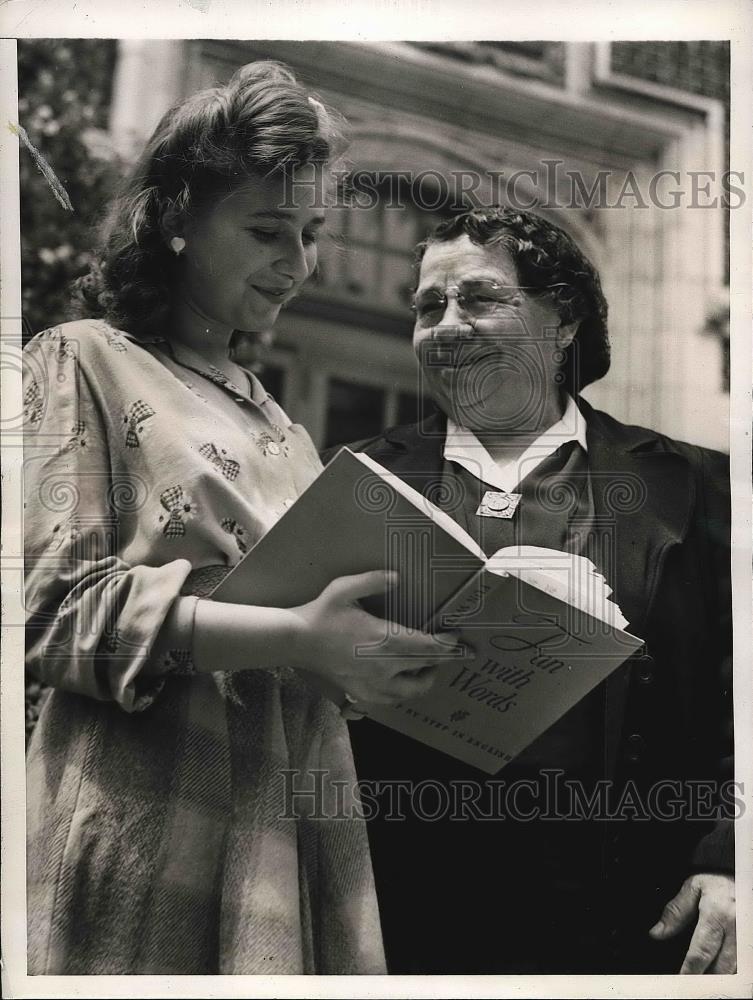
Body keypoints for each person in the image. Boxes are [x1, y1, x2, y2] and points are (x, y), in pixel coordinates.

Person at [22, 61, 459, 975]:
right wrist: (297, 633)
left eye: (311, 234)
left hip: (294, 819)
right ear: (176, 217)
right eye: (266, 230)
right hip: (149, 809)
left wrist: (369, 660)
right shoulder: (82, 361)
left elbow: (311, 638)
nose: (297, 265)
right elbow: (49, 614)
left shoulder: (280, 422)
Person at [327, 206, 735, 975]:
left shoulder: (696, 487)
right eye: (426, 306)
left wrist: (729, 860)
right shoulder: (352, 479)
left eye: (479, 299)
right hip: (400, 919)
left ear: (564, 319)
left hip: (627, 926)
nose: (445, 326)